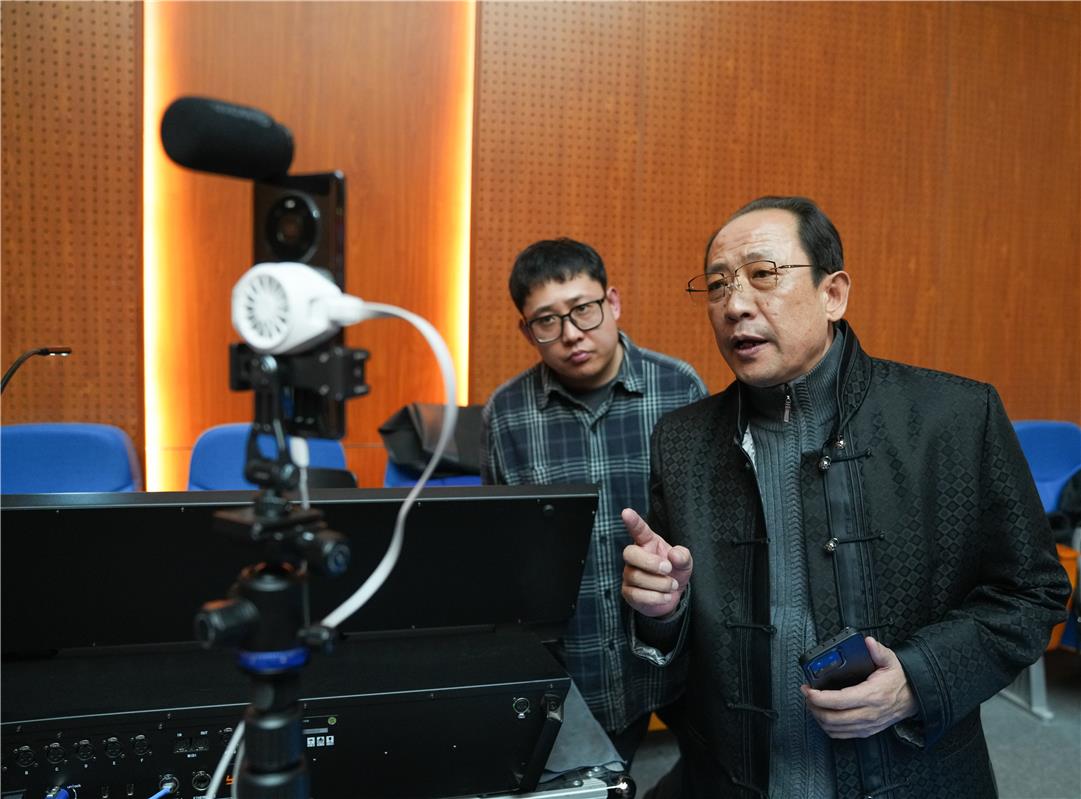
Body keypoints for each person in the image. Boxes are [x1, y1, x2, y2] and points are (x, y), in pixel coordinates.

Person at [620, 196, 1070, 798]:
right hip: (734, 777)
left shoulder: (955, 418)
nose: (735, 304)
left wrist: (918, 680)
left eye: (763, 274)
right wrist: (662, 612)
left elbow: (1032, 593)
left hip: (915, 777)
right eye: (718, 284)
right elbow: (671, 649)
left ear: (833, 294)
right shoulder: (683, 442)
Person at [481, 237, 708, 763]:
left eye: (583, 309)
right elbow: (506, 553)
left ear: (613, 302)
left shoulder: (679, 388)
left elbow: (708, 530)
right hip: (575, 659)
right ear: (526, 331)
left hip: (676, 646)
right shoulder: (507, 414)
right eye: (547, 321)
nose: (570, 333)